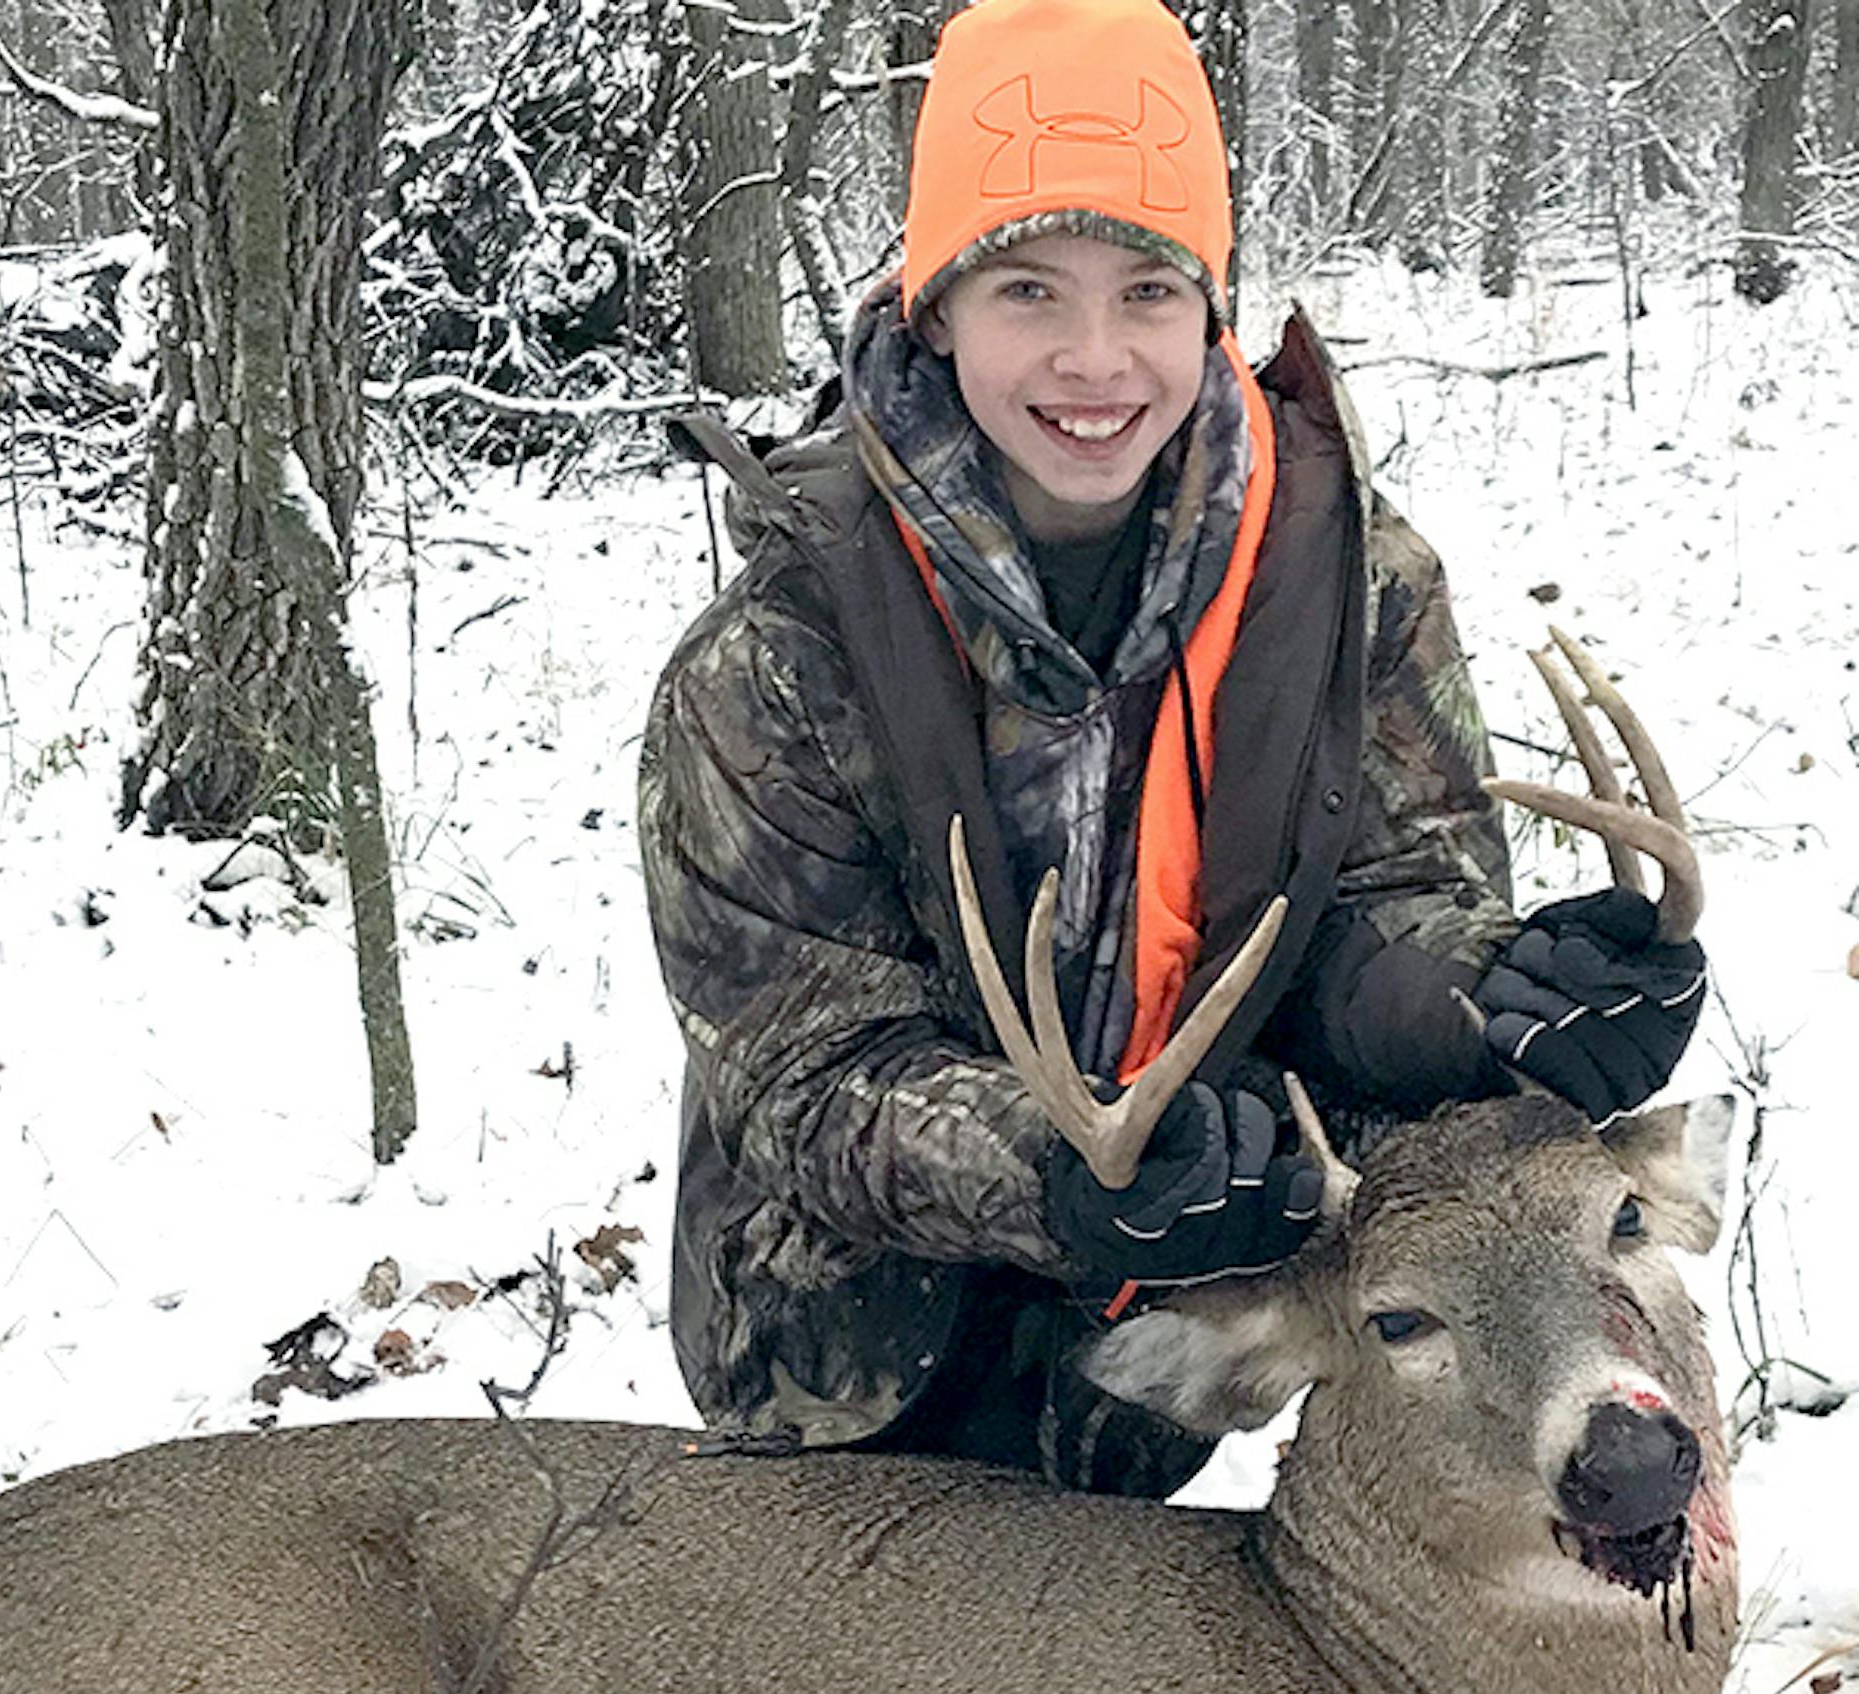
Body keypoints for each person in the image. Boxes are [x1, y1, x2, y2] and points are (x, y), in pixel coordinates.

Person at [637, 0, 1707, 1497]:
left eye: (1149, 289)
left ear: (1210, 304)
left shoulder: (1349, 585)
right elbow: (809, 1082)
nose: (1095, 359)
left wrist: (1496, 1004)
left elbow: (1377, 909)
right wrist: (1062, 1175)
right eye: (1025, 289)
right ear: (933, 303)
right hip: (844, 1368)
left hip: (1199, 1333)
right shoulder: (773, 659)